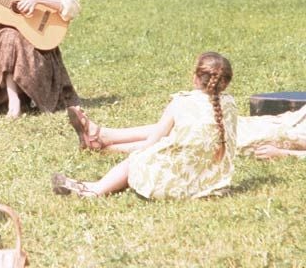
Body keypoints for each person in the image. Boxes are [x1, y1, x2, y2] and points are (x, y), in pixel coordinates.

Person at [52, 51, 237, 199]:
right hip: (212, 184)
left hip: (174, 186)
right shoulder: (230, 104)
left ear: (195, 78)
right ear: (226, 83)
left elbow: (153, 143)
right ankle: (99, 140)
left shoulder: (180, 102)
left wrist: (136, 156)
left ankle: (95, 189)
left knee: (136, 160)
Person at [74, 98, 306, 160]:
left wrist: (282, 154)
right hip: (270, 124)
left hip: (271, 136)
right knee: (186, 126)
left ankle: (105, 143)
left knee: (184, 137)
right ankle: (104, 137)